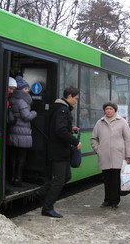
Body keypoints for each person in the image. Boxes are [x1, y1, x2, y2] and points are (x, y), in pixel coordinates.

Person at [41, 86, 81, 218]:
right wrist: (75, 142)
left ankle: (40, 194)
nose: (76, 101)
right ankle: (47, 207)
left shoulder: (58, 107)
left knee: (66, 177)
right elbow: (59, 130)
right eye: (75, 99)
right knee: (59, 180)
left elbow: (58, 127)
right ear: (69, 96)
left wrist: (71, 129)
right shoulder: (63, 110)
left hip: (58, 149)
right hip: (59, 150)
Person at [90, 101, 130, 209]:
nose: (108, 111)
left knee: (116, 180)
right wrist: (98, 149)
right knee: (107, 179)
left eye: (111, 109)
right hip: (104, 156)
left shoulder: (122, 122)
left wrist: (128, 155)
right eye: (107, 109)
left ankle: (115, 201)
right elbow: (94, 138)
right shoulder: (100, 122)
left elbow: (128, 140)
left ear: (115, 110)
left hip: (118, 155)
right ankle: (107, 200)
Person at [8, 76, 37, 187]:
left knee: (13, 156)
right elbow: (26, 116)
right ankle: (18, 179)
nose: (27, 91)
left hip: (13, 132)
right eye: (25, 89)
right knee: (21, 158)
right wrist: (34, 113)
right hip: (22, 133)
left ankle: (11, 177)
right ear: (20, 89)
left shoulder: (12, 99)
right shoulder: (22, 101)